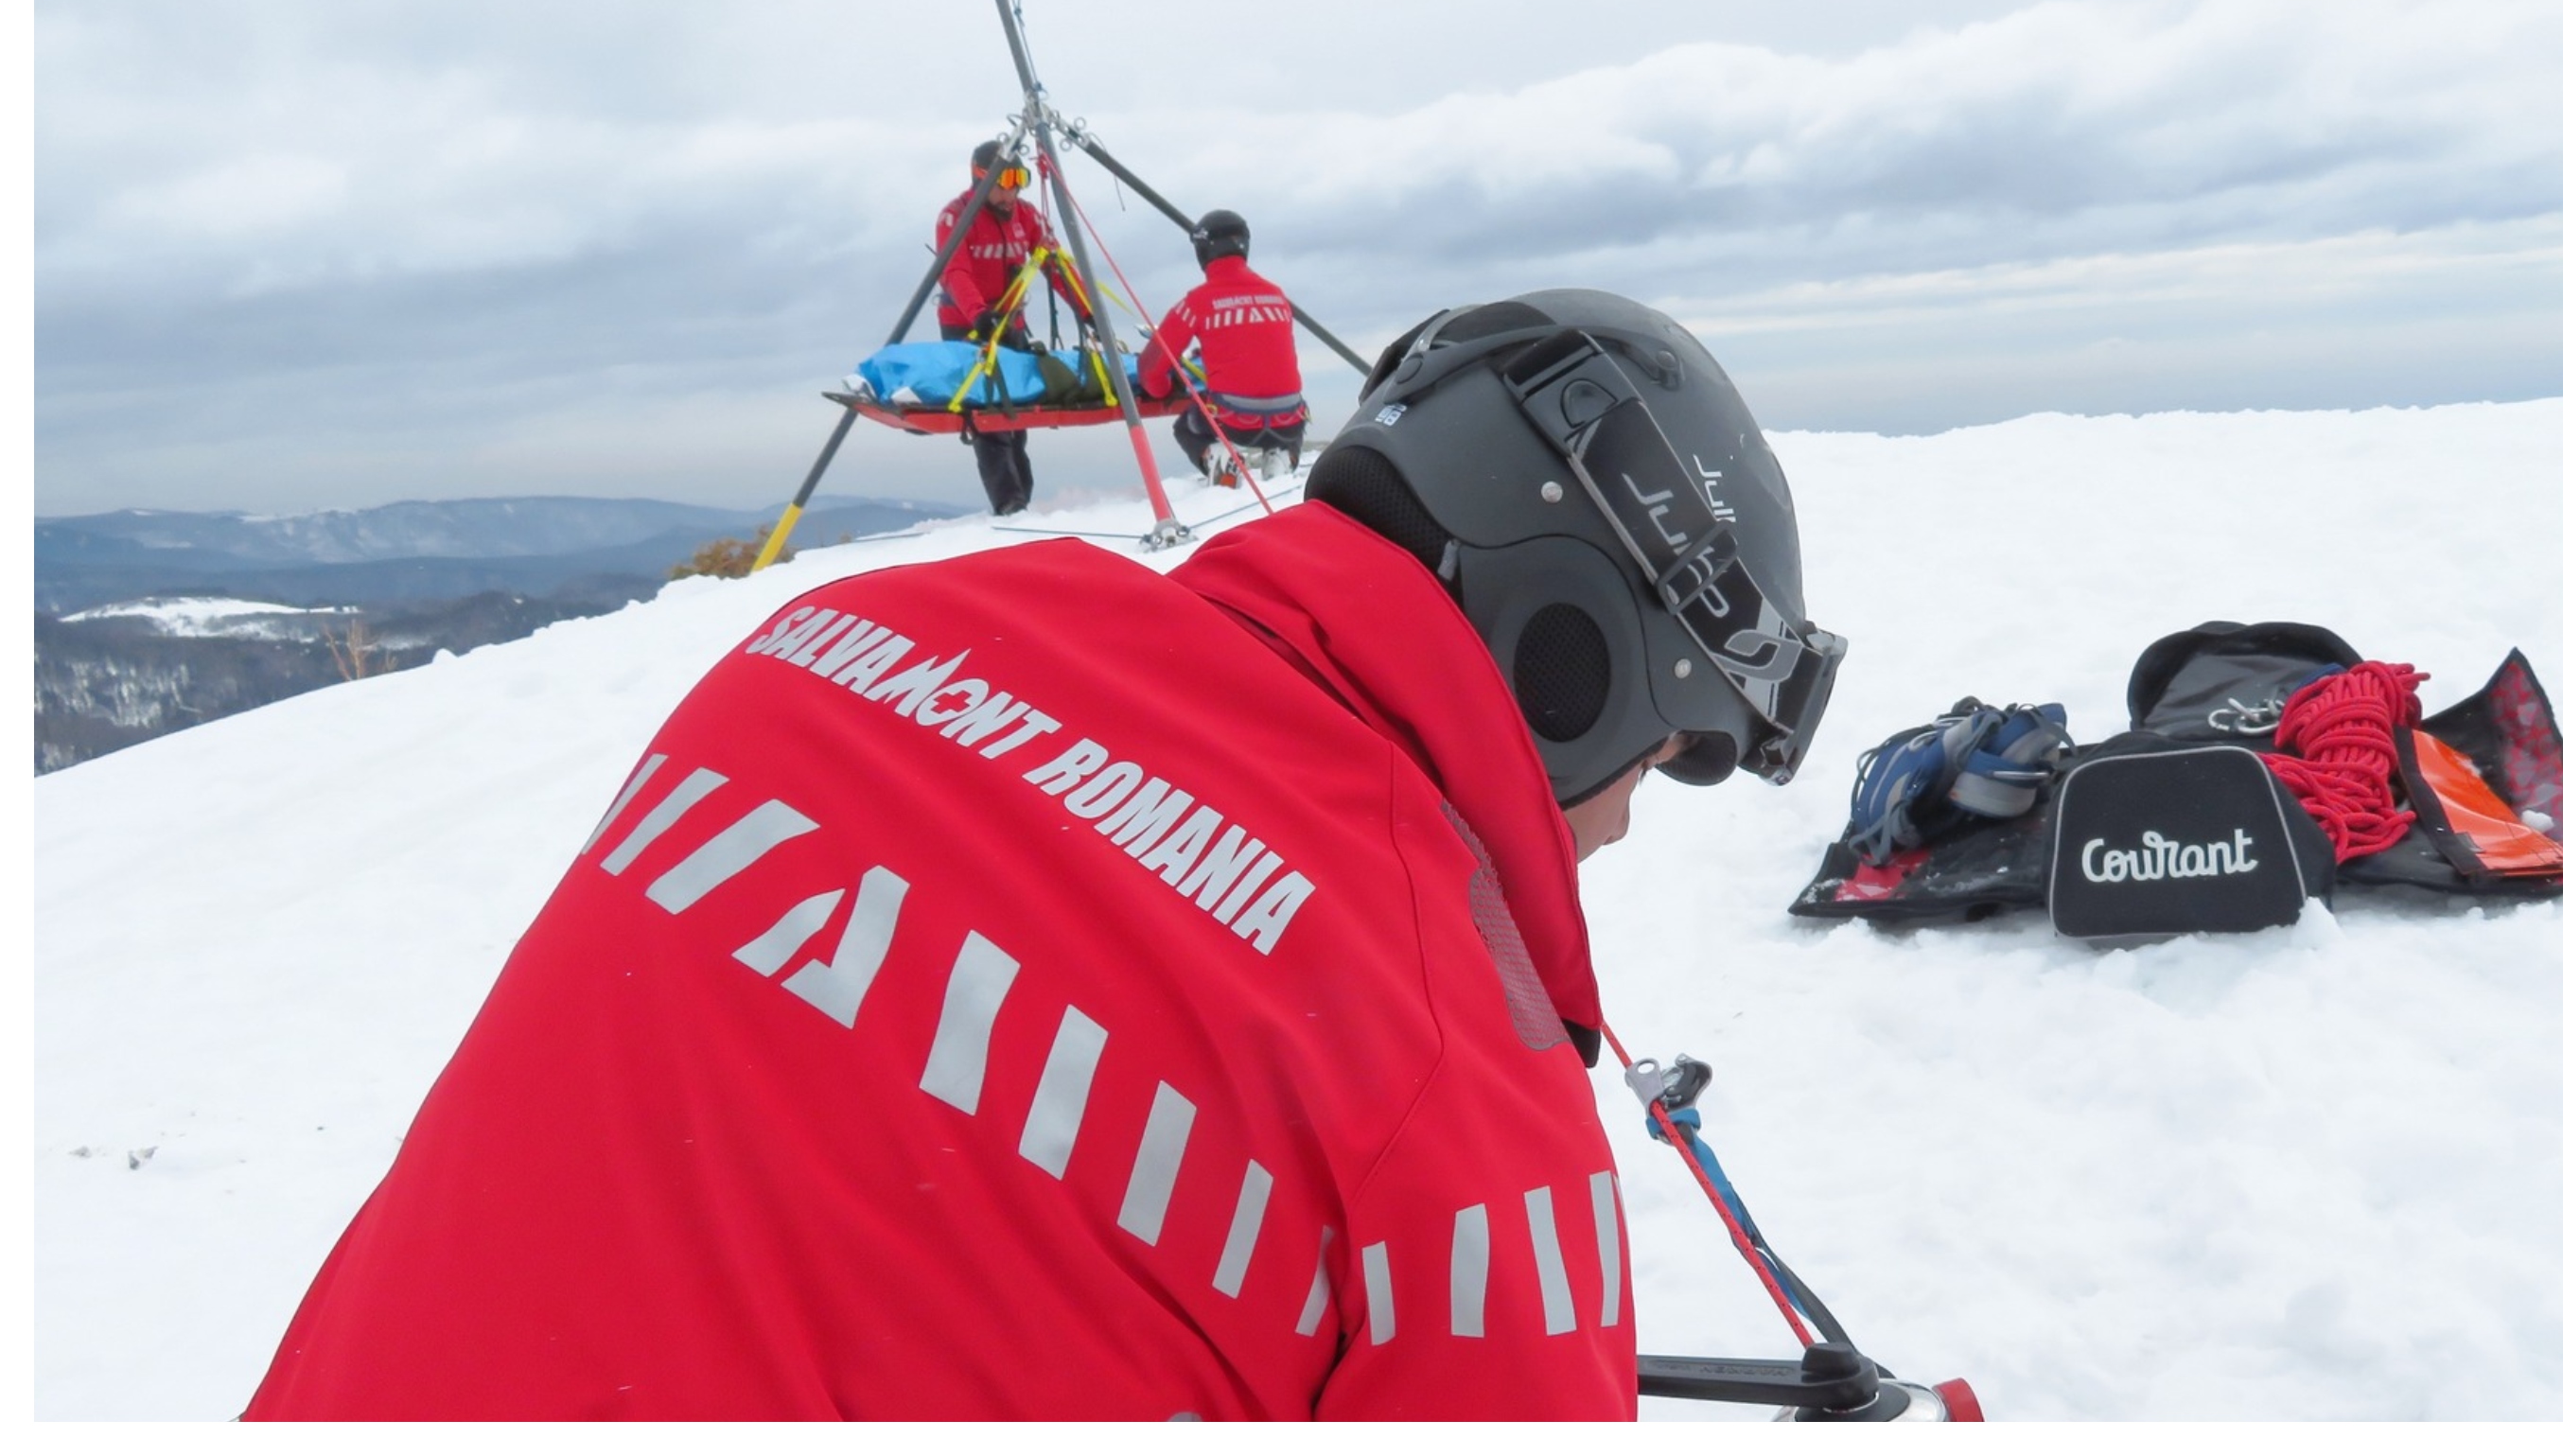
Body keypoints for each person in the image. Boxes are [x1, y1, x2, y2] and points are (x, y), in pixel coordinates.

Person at [240, 289, 1846, 1421]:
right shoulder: (1461, 1126)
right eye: (1659, 756)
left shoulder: (836, 643)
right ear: (1570, 666)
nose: (1620, 821)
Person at [936, 141, 1081, 517]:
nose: (1011, 193)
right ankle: (1010, 504)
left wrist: (1085, 310)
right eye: (1004, 183)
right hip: (968, 329)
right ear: (981, 180)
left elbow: (1055, 265)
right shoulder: (956, 218)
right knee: (989, 419)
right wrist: (978, 315)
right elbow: (955, 272)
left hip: (1011, 326)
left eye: (1020, 181)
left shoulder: (1026, 215)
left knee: (1016, 414)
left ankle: (1022, 498)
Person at [1139, 209, 1307, 483]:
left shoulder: (1197, 302)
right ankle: (1283, 456)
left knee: (1186, 427)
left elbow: (1150, 371)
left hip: (1234, 423)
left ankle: (1218, 459)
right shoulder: (1276, 296)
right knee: (1291, 410)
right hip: (1289, 420)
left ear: (1203, 250)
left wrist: (1165, 390)